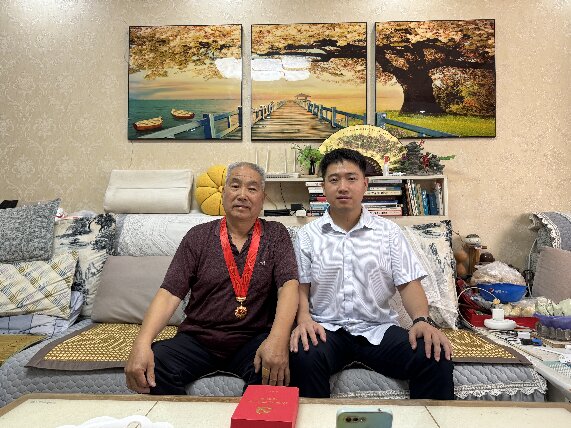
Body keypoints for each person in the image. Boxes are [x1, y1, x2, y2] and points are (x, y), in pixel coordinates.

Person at [289, 148, 454, 399]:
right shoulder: (307, 236)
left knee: (433, 355)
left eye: (351, 178)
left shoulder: (389, 232)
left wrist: (421, 320)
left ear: (365, 184)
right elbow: (301, 287)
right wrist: (303, 320)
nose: (343, 187)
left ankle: (430, 419)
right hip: (326, 329)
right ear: (323, 187)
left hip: (377, 329)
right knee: (303, 355)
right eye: (334, 179)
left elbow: (408, 284)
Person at [125, 162, 299, 394]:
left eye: (252, 188)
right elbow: (169, 293)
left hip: (253, 339)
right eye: (235, 186)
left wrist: (278, 339)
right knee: (158, 363)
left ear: (263, 198)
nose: (242, 194)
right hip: (199, 339)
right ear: (223, 192)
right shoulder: (198, 236)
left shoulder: (276, 235)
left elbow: (288, 286)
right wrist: (141, 343)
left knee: (277, 369)